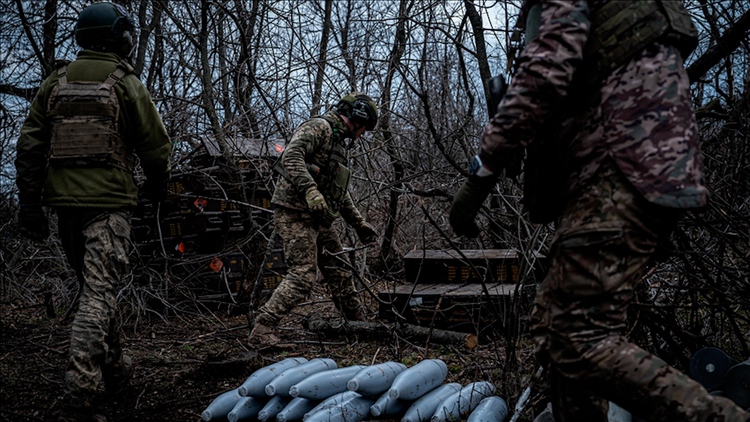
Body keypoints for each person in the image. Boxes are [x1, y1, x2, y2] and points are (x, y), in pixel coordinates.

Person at [450, 1, 749, 421]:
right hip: (620, 168)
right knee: (556, 333)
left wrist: (481, 174)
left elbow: (548, 68)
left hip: (622, 164)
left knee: (576, 337)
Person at [14, 2, 171, 421]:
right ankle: (80, 397)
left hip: (65, 207)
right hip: (109, 206)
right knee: (98, 295)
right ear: (118, 37)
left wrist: (29, 204)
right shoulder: (125, 83)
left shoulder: (55, 82)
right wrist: (157, 188)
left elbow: (29, 146)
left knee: (95, 293)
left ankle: (118, 374)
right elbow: (155, 146)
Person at [250, 93, 379, 346]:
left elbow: (337, 192)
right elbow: (291, 156)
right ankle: (263, 327)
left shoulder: (339, 143)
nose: (363, 134)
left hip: (318, 216)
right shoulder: (320, 127)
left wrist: (359, 223)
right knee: (303, 274)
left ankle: (357, 321)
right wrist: (311, 191)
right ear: (358, 118)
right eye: (365, 128)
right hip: (294, 211)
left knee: (338, 268)